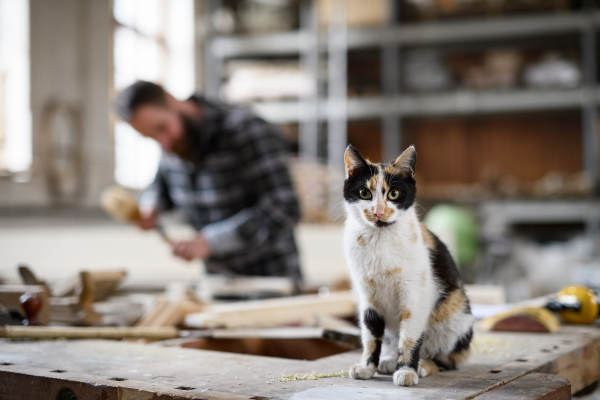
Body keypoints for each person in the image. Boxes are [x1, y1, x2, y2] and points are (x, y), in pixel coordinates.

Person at [115, 81, 302, 282]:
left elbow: (285, 206)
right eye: (151, 137)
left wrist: (211, 242)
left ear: (172, 101)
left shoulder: (245, 129)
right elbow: (161, 188)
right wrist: (150, 206)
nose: (163, 143)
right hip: (219, 282)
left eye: (162, 128)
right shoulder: (172, 143)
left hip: (271, 281)